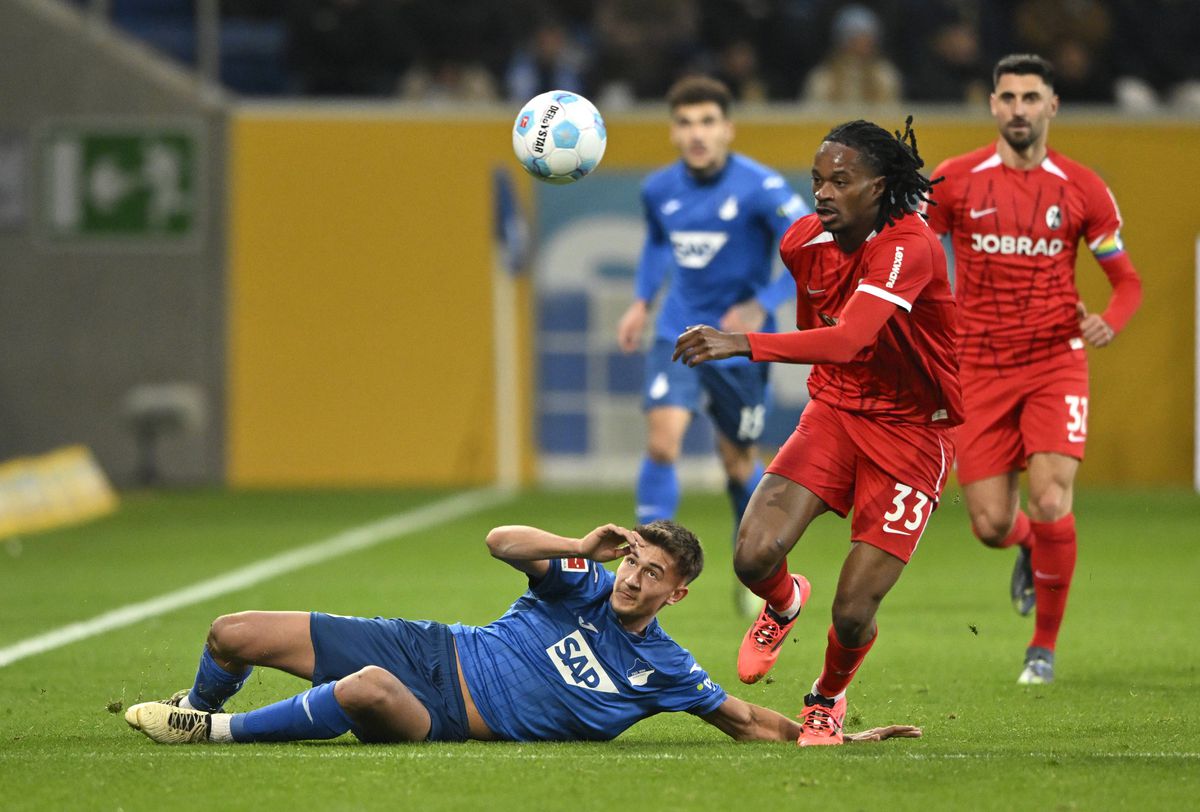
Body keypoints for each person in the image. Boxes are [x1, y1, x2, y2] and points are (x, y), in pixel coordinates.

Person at [673, 117, 961, 745]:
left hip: (913, 431)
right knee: (752, 556)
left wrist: (742, 342)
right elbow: (824, 335)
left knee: (854, 610)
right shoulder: (803, 241)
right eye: (817, 180)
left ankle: (826, 698)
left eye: (840, 181)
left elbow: (848, 338)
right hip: (837, 410)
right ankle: (784, 602)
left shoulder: (908, 245)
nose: (823, 192)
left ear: (878, 187)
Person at [123, 520, 919, 746]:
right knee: (231, 632)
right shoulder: (581, 581)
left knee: (364, 692)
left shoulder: (665, 669)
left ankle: (210, 733)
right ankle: (196, 702)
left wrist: (831, 737)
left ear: (677, 594)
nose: (632, 578)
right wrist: (579, 546)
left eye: (650, 574)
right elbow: (499, 542)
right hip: (427, 646)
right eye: (632, 561)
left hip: (441, 712)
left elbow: (745, 721)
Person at [923, 54, 1142, 685]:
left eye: (1031, 97)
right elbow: (915, 252)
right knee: (990, 524)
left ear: (1052, 106)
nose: (1019, 109)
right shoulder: (955, 179)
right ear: (993, 105)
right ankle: (1026, 544)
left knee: (1050, 497)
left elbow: (1126, 282)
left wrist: (1110, 321)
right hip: (977, 366)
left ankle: (1042, 648)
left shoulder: (1083, 187)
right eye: (1009, 97)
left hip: (1054, 362)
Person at [615, 75, 808, 615]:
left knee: (737, 461)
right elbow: (658, 243)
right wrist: (640, 300)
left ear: (728, 128)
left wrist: (764, 302)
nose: (696, 133)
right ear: (673, 131)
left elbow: (810, 244)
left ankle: (757, 567)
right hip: (677, 331)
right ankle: (642, 564)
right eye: (685, 123)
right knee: (663, 444)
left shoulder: (761, 187)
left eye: (707, 122)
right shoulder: (658, 189)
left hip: (736, 344)